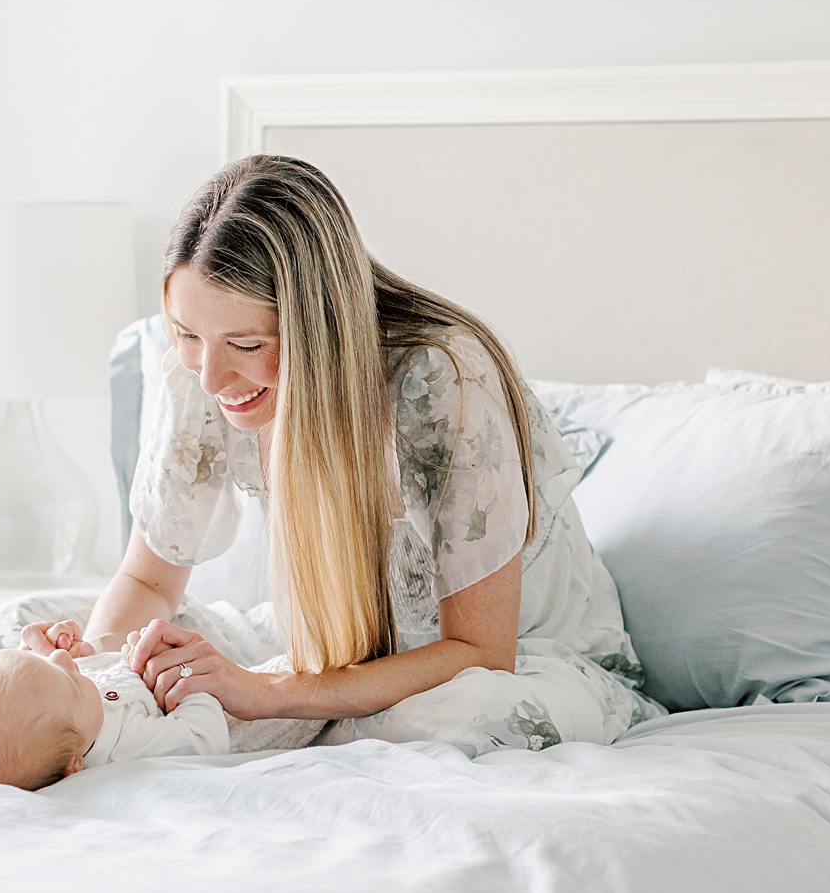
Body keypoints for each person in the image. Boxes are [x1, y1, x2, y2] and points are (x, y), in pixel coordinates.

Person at [83, 154, 665, 758]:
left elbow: (480, 654)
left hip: (510, 665)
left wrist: (269, 692)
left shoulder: (445, 382)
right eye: (185, 334)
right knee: (34, 632)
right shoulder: (200, 372)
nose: (210, 376)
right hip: (331, 650)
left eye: (248, 344)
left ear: (319, 330)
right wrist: (94, 667)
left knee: (440, 726)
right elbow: (148, 580)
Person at [0, 616, 331, 790]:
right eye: (71, 681)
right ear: (73, 766)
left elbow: (89, 680)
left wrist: (83, 655)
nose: (61, 660)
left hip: (175, 666)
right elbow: (204, 739)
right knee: (322, 663)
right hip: (238, 716)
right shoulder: (127, 744)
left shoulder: (72, 719)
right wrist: (191, 684)